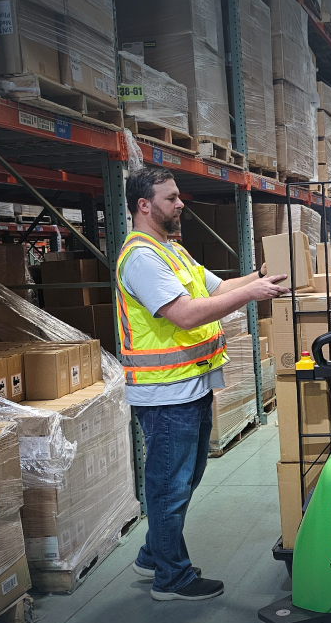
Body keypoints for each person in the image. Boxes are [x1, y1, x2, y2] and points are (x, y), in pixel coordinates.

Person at [117, 165, 289, 600]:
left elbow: (217, 288)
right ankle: (170, 578)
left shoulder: (171, 250)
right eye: (171, 198)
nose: (180, 204)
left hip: (189, 386)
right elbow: (187, 314)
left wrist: (261, 274)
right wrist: (252, 295)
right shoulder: (142, 257)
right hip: (164, 393)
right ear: (144, 205)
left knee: (184, 478)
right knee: (169, 484)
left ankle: (154, 555)